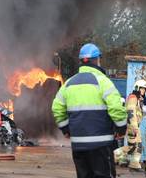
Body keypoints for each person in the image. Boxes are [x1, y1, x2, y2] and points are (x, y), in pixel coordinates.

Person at [52, 43, 127, 178]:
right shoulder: (103, 82)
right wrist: (121, 129)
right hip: (101, 146)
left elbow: (57, 107)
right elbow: (116, 108)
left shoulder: (69, 83)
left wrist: (65, 129)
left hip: (78, 146)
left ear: (82, 61)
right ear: (97, 60)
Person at [125, 79, 146, 171]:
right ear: (138, 88)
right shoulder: (133, 98)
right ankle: (114, 156)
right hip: (132, 126)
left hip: (134, 126)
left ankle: (133, 164)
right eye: (143, 89)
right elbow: (131, 112)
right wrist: (134, 127)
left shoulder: (137, 98)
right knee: (135, 146)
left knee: (134, 146)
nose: (145, 91)